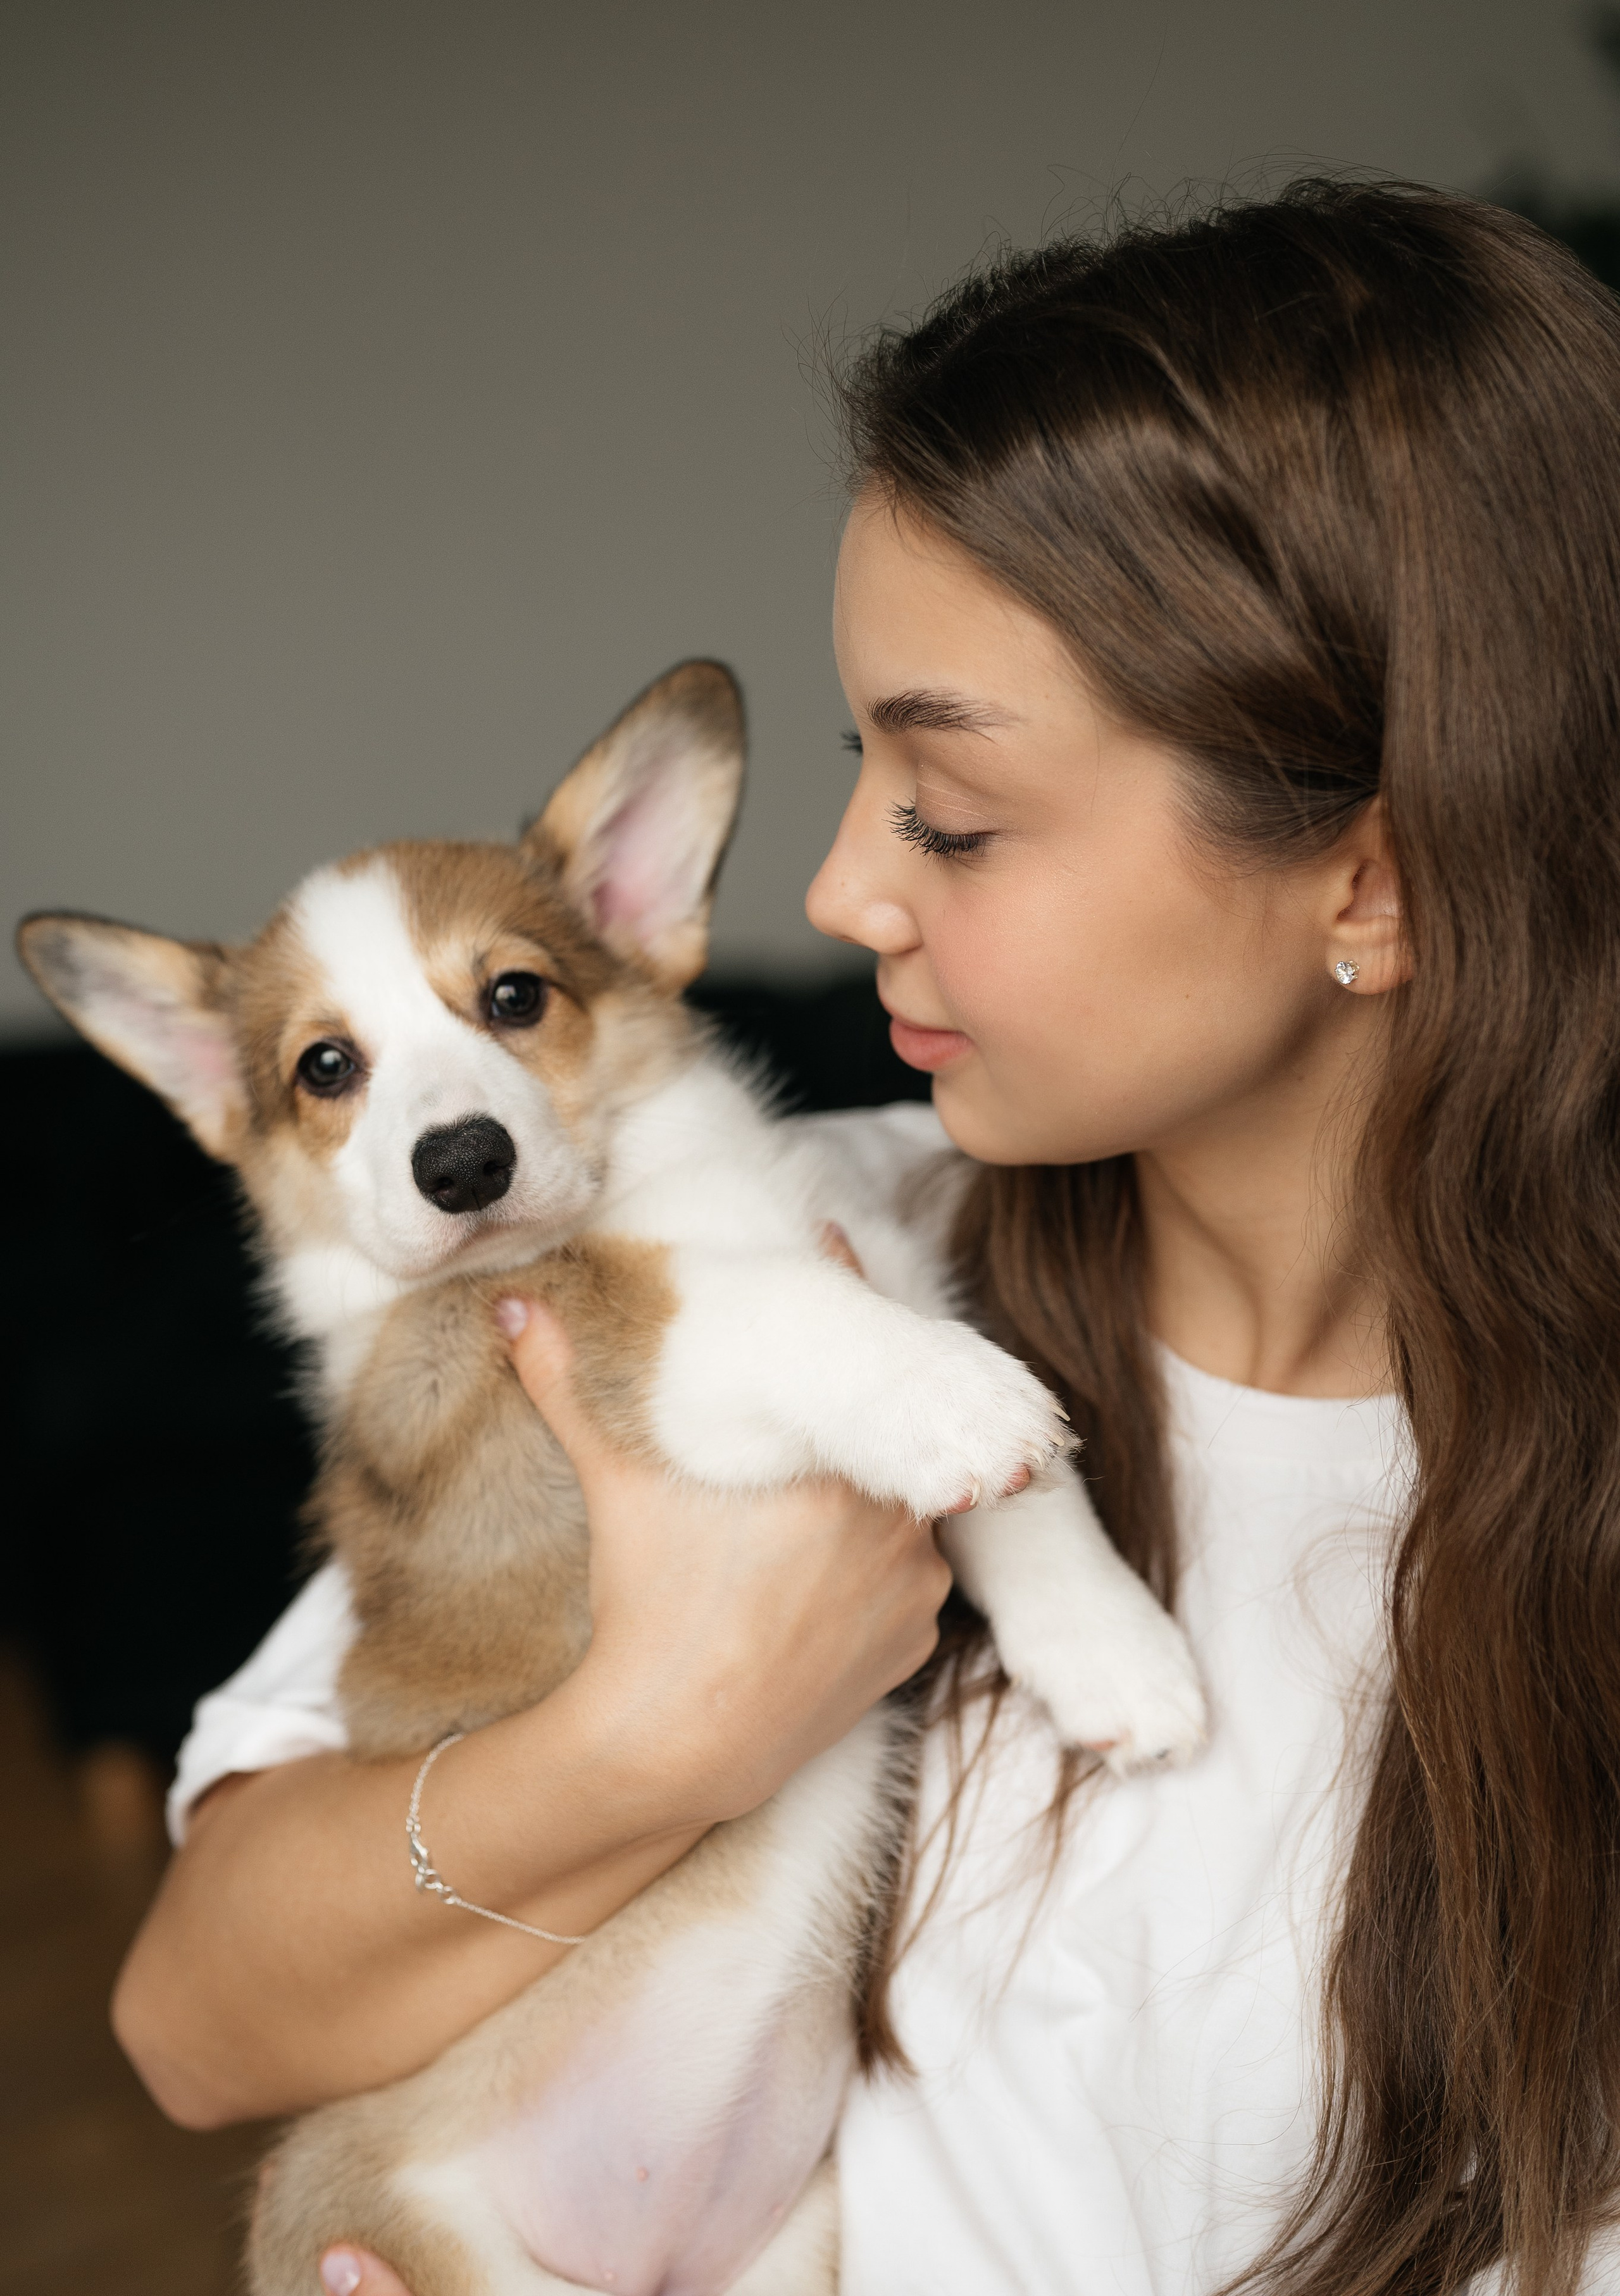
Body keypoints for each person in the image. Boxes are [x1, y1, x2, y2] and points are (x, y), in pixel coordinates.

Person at [111, 182, 1620, 2296]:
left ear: (1371, 883)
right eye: (856, 774)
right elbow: (194, 2020)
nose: (833, 894)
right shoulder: (800, 1244)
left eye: (956, 815)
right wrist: (667, 1723)